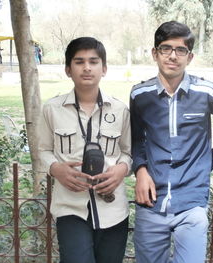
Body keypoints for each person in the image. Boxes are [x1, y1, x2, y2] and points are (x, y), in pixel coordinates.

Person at [130, 21, 213, 263]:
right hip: (151, 202)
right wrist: (140, 169)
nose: (173, 56)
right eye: (166, 48)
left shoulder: (208, 92)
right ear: (155, 53)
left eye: (180, 50)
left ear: (190, 57)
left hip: (191, 203)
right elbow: (136, 137)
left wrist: (207, 161)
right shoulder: (139, 95)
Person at [38, 37, 132, 263]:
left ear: (104, 69)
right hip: (70, 206)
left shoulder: (120, 110)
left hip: (113, 208)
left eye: (93, 61)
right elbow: (43, 149)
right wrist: (55, 169)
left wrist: (121, 169)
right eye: (79, 62)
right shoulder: (52, 109)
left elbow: (129, 152)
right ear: (68, 70)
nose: (87, 67)